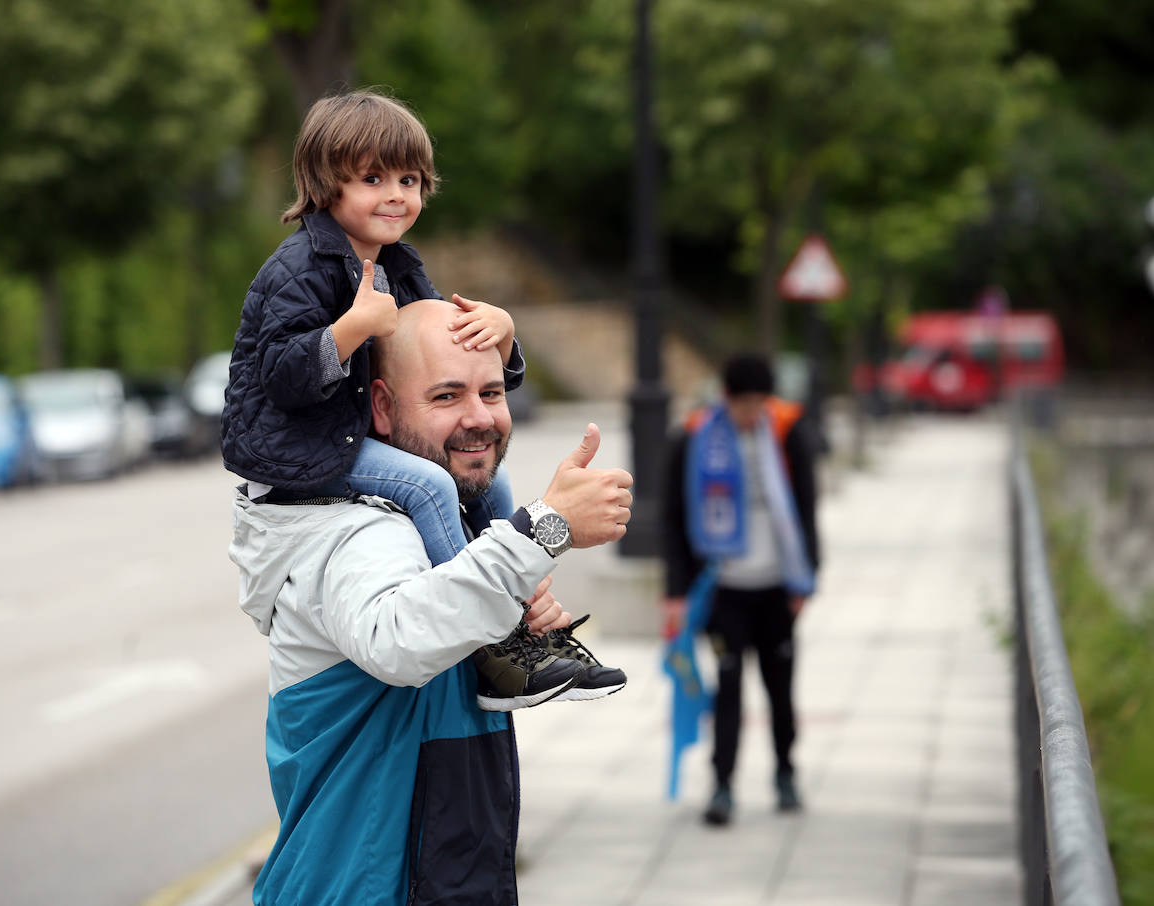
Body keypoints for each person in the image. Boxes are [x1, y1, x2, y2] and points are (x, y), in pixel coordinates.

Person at [220, 88, 623, 709]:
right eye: (373, 179)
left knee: (492, 481)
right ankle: (496, 645)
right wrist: (350, 329)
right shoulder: (297, 268)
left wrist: (503, 337)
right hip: (301, 450)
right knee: (432, 484)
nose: (395, 195)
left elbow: (441, 357)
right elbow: (281, 377)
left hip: (350, 436)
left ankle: (524, 624)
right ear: (325, 183)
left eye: (408, 180)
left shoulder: (399, 266)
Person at [229, 299, 633, 904]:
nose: (480, 418)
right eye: (446, 396)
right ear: (382, 408)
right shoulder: (354, 533)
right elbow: (399, 639)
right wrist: (543, 530)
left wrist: (515, 613)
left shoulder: (443, 526)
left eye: (491, 393)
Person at [661, 353, 821, 827]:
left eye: (760, 403)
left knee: (780, 687)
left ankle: (786, 773)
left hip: (776, 587)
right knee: (728, 686)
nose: (753, 413)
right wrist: (676, 592)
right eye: (744, 403)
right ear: (726, 398)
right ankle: (723, 785)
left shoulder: (787, 433)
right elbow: (673, 519)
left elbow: (807, 506)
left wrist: (807, 577)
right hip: (723, 589)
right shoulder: (695, 437)